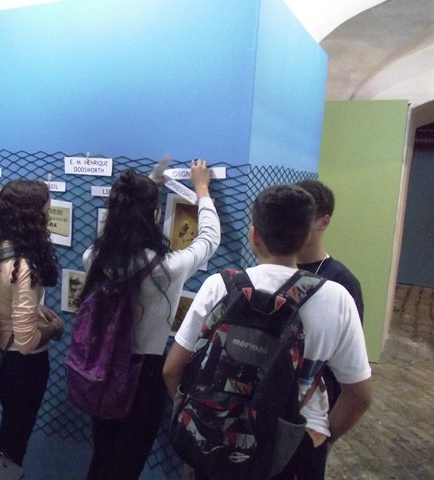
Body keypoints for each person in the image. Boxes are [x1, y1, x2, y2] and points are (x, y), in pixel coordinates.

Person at [164, 184, 372, 480]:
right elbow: (360, 396)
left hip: (217, 438)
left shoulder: (219, 286)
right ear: (306, 236)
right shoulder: (337, 298)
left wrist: (195, 418)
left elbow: (172, 370)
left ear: (254, 235)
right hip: (295, 443)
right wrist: (325, 440)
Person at [81, 159, 221, 480]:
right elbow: (209, 239)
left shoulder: (94, 258)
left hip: (101, 367)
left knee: (102, 456)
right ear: (155, 215)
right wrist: (202, 189)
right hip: (144, 377)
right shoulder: (167, 268)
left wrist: (146, 186)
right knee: (128, 465)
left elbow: (117, 224)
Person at [0, 179, 64, 466]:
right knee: (13, 448)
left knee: (9, 438)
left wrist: (35, 311)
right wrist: (54, 329)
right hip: (24, 367)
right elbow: (26, 342)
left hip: (0, 358)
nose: (48, 217)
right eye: (46, 211)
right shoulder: (23, 267)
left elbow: (1, 304)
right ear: (32, 218)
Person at [296, 179, 364, 409]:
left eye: (303, 218)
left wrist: (329, 428)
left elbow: (350, 366)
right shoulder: (275, 270)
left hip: (315, 409)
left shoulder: (342, 283)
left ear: (323, 222)